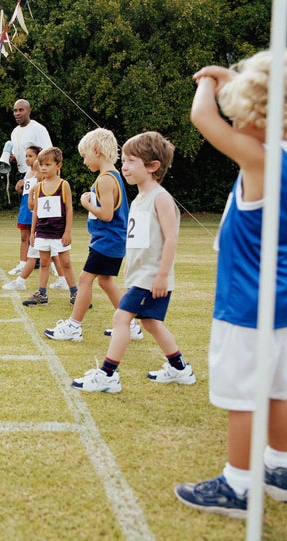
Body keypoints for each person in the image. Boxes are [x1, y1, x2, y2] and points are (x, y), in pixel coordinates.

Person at [174, 51, 287, 518]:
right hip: (280, 301)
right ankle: (278, 468)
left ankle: (239, 485)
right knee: (279, 388)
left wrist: (211, 81)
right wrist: (242, 82)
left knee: (242, 395)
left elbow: (202, 116)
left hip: (247, 300)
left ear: (253, 115)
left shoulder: (261, 160)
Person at [71, 132, 194, 394]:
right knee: (150, 323)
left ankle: (107, 375)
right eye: (123, 160)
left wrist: (162, 275)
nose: (123, 166)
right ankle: (180, 368)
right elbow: (138, 238)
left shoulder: (160, 198)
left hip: (152, 278)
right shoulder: (139, 199)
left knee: (121, 317)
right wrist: (130, 262)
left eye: (130, 161)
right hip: (140, 274)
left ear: (153, 166)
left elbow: (171, 239)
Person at [44, 128, 135, 342]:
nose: (84, 161)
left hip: (107, 240)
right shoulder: (112, 176)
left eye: (85, 156)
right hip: (111, 240)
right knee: (105, 281)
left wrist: (85, 203)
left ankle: (74, 326)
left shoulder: (105, 179)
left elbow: (106, 214)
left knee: (84, 279)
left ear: (96, 150)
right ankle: (130, 324)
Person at [21, 147, 77, 307]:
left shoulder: (63, 185)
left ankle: (74, 292)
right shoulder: (39, 187)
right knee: (44, 262)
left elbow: (69, 209)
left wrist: (67, 231)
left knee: (65, 262)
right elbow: (35, 210)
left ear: (58, 165)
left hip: (59, 233)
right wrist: (33, 232)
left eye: (48, 164)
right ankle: (42, 293)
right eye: (42, 165)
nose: (44, 168)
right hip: (43, 232)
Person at [6, 99, 53, 276]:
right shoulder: (14, 132)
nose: (17, 113)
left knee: (41, 222)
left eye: (21, 110)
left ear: (28, 111)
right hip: (24, 177)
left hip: (39, 178)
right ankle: (27, 261)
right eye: (15, 110)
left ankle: (46, 260)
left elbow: (49, 153)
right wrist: (12, 158)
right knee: (26, 223)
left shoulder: (39, 129)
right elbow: (20, 156)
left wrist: (44, 177)